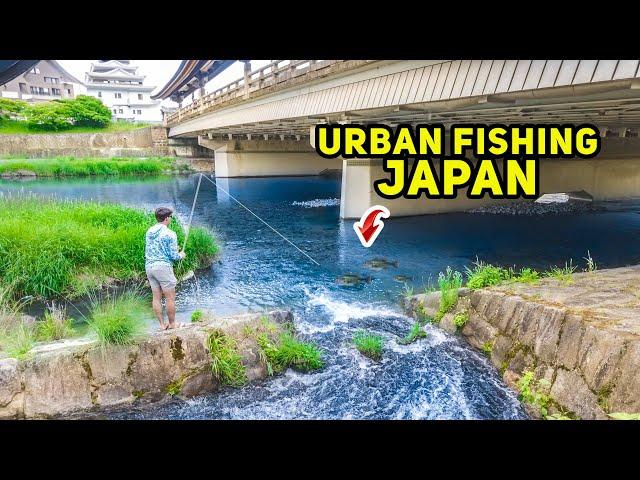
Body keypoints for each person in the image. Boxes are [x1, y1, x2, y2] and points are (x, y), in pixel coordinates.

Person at [145, 207, 186, 330]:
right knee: (170, 297)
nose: (171, 219)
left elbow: (157, 248)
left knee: (156, 297)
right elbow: (173, 256)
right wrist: (181, 255)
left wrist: (172, 249)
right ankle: (173, 324)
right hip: (163, 267)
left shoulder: (149, 231)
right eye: (171, 217)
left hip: (149, 267)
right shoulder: (170, 233)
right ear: (167, 218)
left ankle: (162, 325)